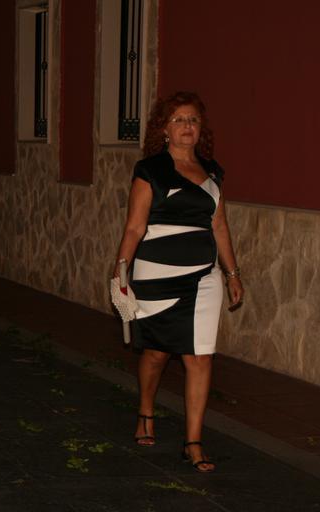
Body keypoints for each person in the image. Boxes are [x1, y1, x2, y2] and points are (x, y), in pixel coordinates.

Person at [113, 91, 243, 473]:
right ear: (165, 129)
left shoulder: (213, 172)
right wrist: (120, 272)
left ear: (201, 129)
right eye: (179, 120)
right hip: (156, 277)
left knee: (199, 357)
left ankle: (193, 442)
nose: (187, 126)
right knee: (156, 354)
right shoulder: (151, 170)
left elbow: (220, 226)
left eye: (193, 120)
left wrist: (232, 273)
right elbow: (135, 227)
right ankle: (146, 411)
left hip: (203, 278)